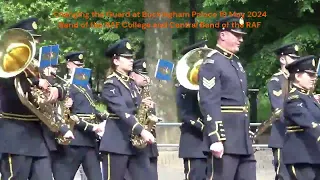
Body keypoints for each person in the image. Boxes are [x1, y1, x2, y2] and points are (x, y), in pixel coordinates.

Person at [0, 17, 73, 180]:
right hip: (15, 135)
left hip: (38, 136)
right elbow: (11, 87)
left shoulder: (37, 66)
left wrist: (56, 90)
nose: (34, 45)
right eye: (31, 40)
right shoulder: (5, 64)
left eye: (35, 40)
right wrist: (35, 82)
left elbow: (62, 85)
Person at [198, 16, 256, 180]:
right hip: (226, 139)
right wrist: (215, 137)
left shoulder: (236, 63)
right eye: (237, 35)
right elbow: (209, 101)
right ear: (223, 35)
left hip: (242, 139)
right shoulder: (212, 62)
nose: (241, 39)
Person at [100, 39, 155, 180]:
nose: (131, 60)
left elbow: (135, 108)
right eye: (127, 58)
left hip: (135, 144)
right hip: (116, 144)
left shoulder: (131, 83)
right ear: (116, 61)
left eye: (132, 57)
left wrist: (144, 105)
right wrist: (142, 131)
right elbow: (122, 111)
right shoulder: (110, 84)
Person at [51, 51, 104, 180]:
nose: (80, 68)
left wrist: (103, 117)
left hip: (90, 140)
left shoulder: (86, 86)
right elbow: (64, 113)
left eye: (82, 65)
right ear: (69, 64)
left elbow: (90, 109)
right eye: (77, 65)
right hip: (74, 139)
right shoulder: (64, 85)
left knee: (96, 177)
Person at [176, 40, 213, 180]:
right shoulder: (184, 87)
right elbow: (185, 114)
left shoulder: (209, 85)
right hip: (194, 143)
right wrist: (205, 126)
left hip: (209, 142)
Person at [282, 55, 320, 180]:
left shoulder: (309, 98)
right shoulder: (293, 99)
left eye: (314, 75)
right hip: (301, 158)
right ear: (298, 76)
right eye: (310, 75)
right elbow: (308, 122)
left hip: (314, 156)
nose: (314, 78)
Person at [267, 43, 299, 180]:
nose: (296, 61)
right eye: (292, 57)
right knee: (284, 176)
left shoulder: (297, 81)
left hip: (298, 138)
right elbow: (279, 109)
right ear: (282, 59)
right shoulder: (276, 81)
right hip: (282, 137)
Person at [129, 58, 159, 180]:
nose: (145, 78)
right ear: (132, 75)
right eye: (142, 75)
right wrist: (141, 104)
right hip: (136, 141)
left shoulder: (145, 91)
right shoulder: (129, 91)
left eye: (146, 75)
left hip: (149, 143)